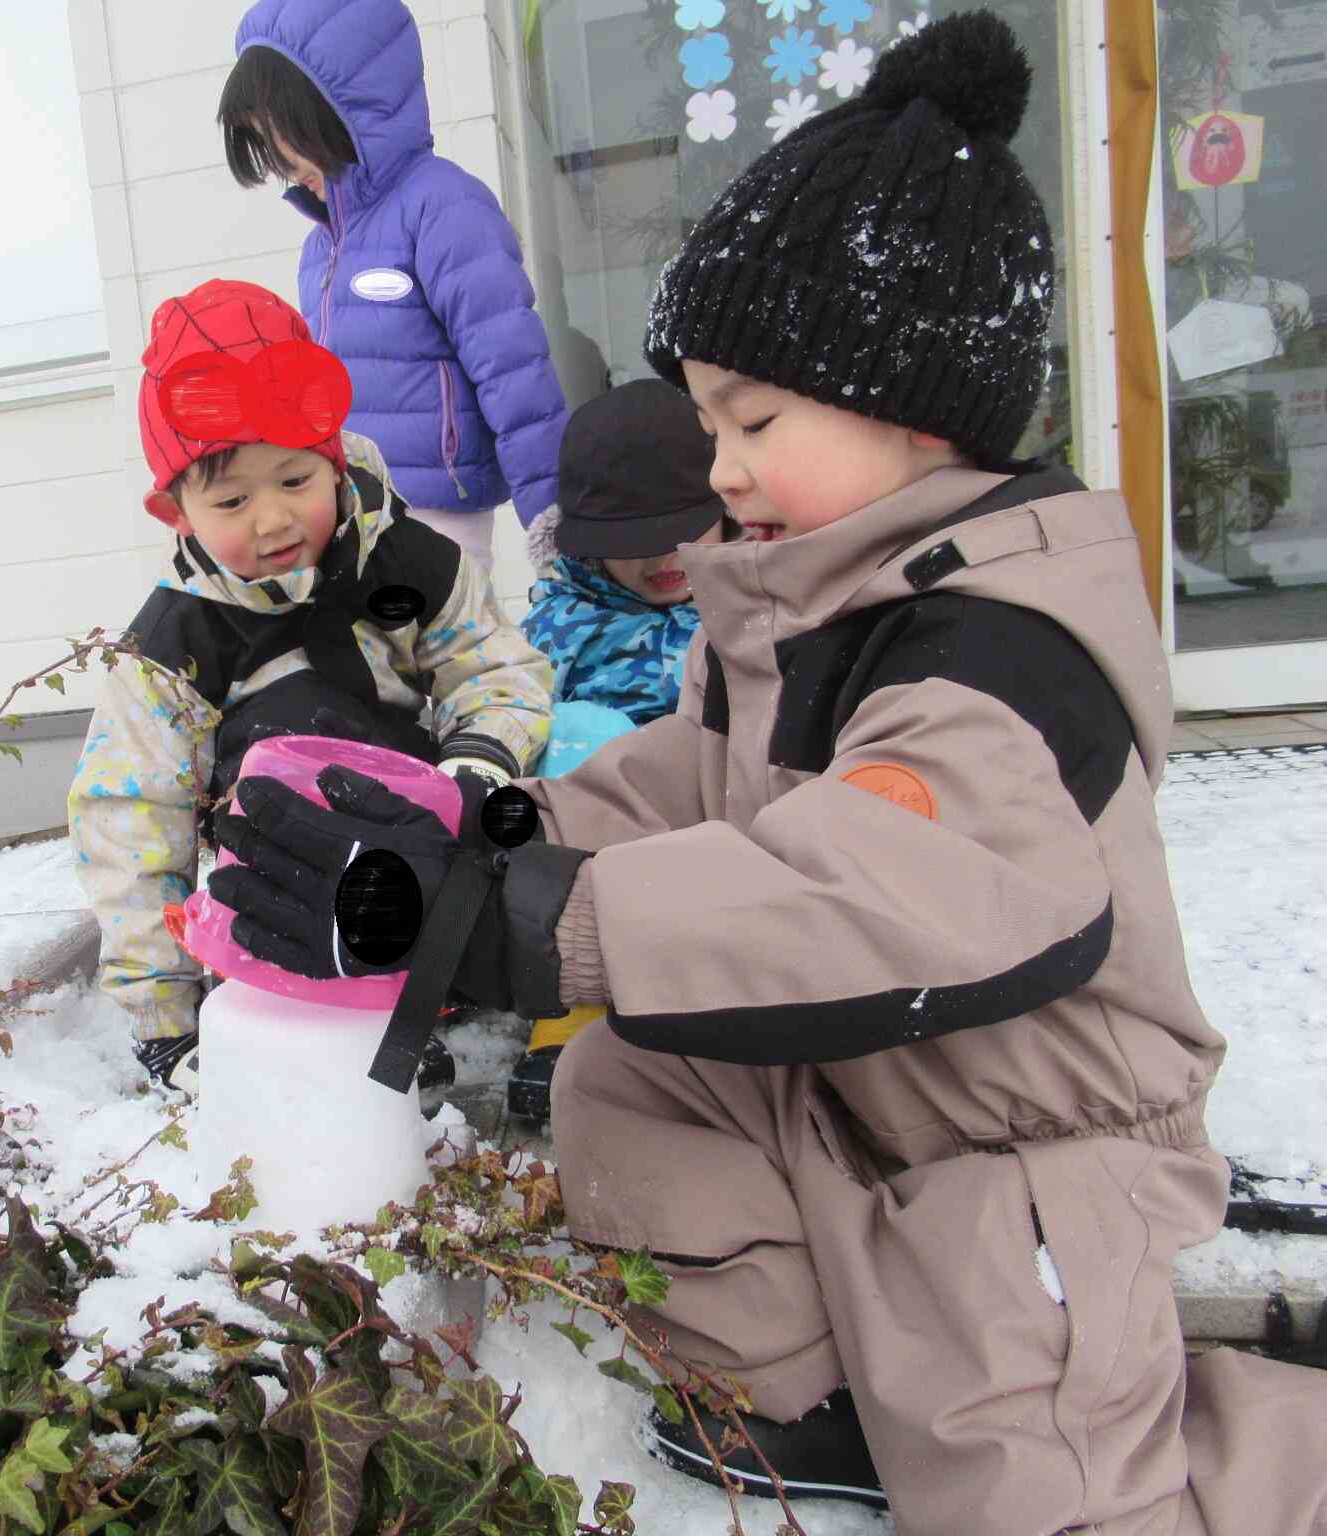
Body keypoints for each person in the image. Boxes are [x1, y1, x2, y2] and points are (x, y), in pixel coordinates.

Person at [202, 14, 1327, 1528]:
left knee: (1048, 1498)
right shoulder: (802, 600)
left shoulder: (998, 646)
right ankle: (804, 1410)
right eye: (708, 419)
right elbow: (690, 784)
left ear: (916, 416)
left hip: (1024, 1156)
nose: (718, 469)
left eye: (753, 422)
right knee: (636, 1081)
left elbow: (881, 883)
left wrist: (534, 929)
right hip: (860, 1082)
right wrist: (491, 835)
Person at [68, 278, 552, 1096]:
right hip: (282, 871)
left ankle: (498, 969)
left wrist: (480, 754)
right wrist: (163, 1017)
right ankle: (327, 1004)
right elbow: (130, 816)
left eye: (295, 481)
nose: (272, 520)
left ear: (333, 459)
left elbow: (495, 665)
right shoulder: (173, 646)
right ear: (177, 513)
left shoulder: (407, 562)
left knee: (552, 763)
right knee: (295, 726)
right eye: (231, 499)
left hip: (424, 825)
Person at [219, 0, 569, 569]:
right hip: (354, 510)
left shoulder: (443, 206)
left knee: (442, 651)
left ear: (340, 104)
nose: (282, 163)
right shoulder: (323, 246)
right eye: (265, 139)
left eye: (283, 133)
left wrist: (553, 521)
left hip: (437, 512)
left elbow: (514, 371)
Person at [505, 379, 731, 1124]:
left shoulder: (754, 601)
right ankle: (574, 1008)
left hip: (720, 824)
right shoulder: (561, 626)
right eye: (635, 540)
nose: (664, 556)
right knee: (580, 735)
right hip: (602, 850)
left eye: (683, 528)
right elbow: (506, 719)